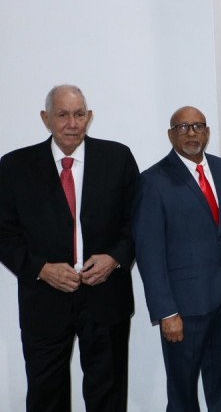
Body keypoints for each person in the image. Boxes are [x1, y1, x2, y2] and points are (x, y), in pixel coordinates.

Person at [0, 85, 139, 411]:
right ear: (45, 118)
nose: (72, 123)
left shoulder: (117, 158)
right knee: (46, 397)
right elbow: (4, 233)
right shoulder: (15, 166)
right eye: (62, 115)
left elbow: (138, 221)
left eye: (79, 114)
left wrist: (115, 259)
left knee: (108, 396)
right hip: (44, 302)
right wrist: (40, 269)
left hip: (106, 297)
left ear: (89, 117)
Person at [132, 106, 221, 411]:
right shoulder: (153, 181)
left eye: (198, 126)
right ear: (171, 134)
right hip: (183, 309)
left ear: (207, 132)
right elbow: (149, 254)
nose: (191, 133)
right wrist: (166, 312)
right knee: (183, 393)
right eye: (182, 127)